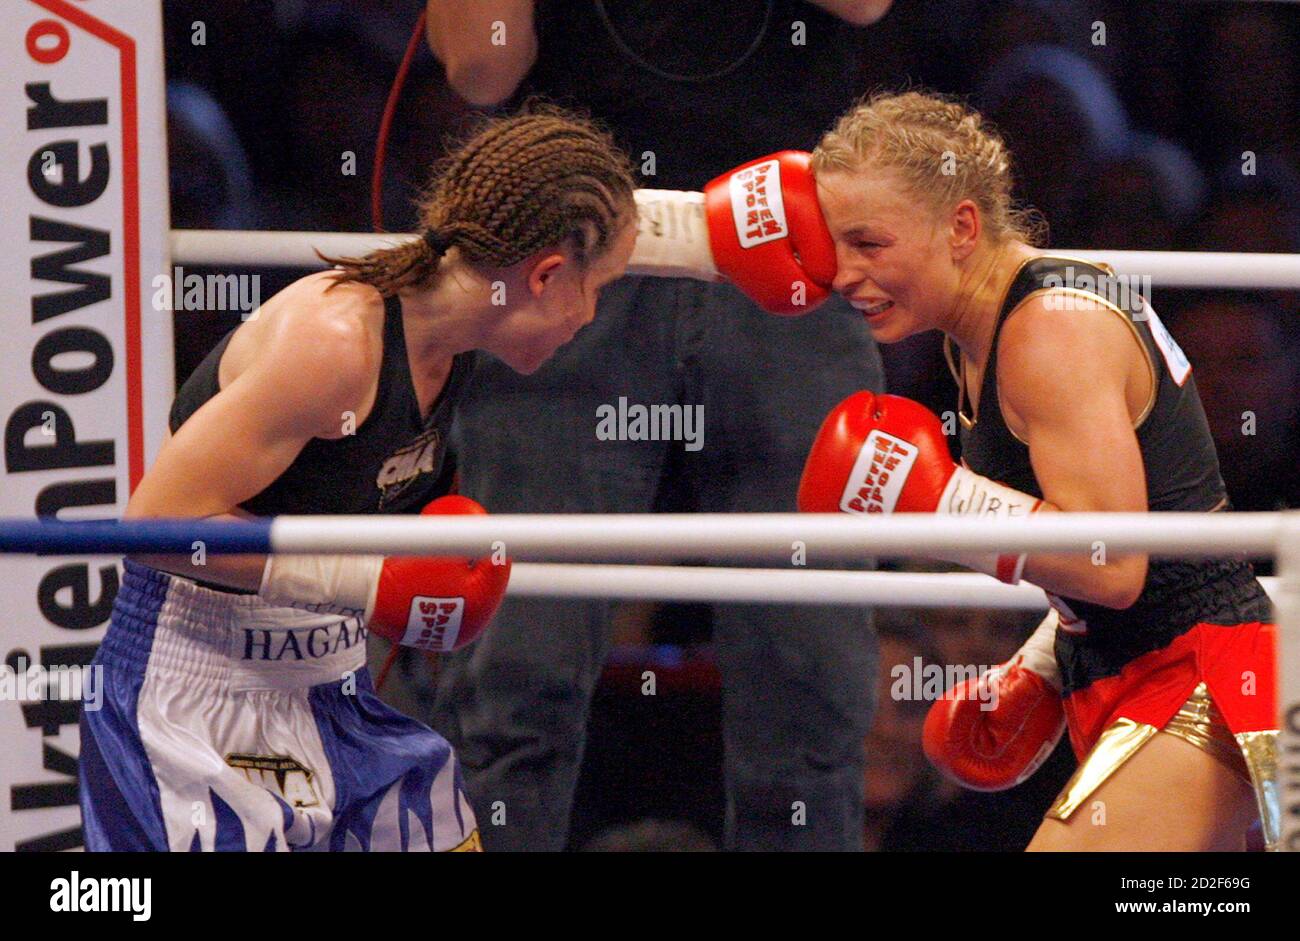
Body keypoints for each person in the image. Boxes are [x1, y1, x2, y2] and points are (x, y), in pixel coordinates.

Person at [78, 109, 640, 852]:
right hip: (195, 695)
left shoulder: (455, 342)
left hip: (331, 689)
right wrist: (369, 578)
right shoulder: (336, 345)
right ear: (543, 274)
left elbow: (602, 214)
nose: (590, 316)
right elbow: (153, 527)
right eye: (594, 288)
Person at [421, 0, 891, 851]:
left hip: (785, 243)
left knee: (810, 682)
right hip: (562, 250)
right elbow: (480, 66)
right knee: (515, 678)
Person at [798, 90, 1276, 851]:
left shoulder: (1049, 329)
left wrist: (939, 503)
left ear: (960, 226)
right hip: (1133, 669)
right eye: (835, 248)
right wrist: (1042, 663)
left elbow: (1113, 560)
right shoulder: (980, 337)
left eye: (869, 244)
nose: (845, 275)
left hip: (1199, 671)